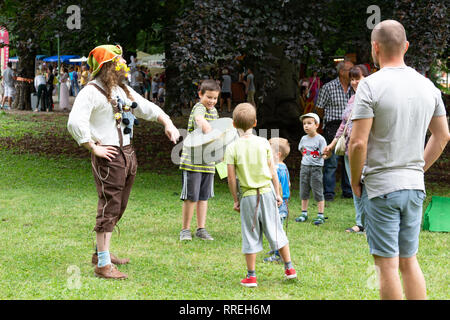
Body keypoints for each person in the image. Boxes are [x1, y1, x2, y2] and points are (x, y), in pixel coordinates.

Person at [349, 20, 449, 300]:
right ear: (405, 47)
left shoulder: (369, 85)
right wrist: (418, 168)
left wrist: (355, 181)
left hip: (381, 187)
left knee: (387, 266)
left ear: (375, 48)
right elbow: (442, 136)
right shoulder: (428, 86)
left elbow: (358, 142)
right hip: (414, 186)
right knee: (409, 260)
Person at [67, 44, 180, 280]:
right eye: (119, 62)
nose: (124, 67)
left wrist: (167, 122)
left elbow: (146, 108)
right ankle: (103, 265)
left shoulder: (121, 90)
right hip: (110, 157)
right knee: (109, 207)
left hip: (127, 154)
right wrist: (93, 146)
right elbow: (75, 122)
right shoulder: (90, 92)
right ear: (107, 66)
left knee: (120, 206)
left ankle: (101, 254)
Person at [225, 103, 297, 287]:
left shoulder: (232, 148)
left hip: (248, 196)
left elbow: (231, 179)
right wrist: (278, 194)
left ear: (234, 124)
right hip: (267, 192)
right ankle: (289, 268)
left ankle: (251, 276)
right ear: (255, 122)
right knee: (276, 230)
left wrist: (235, 199)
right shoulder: (264, 143)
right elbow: (273, 172)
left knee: (250, 234)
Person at [323, 65, 369, 233]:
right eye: (352, 79)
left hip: (366, 149)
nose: (355, 82)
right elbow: (344, 124)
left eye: (358, 78)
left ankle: (372, 222)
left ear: (367, 79)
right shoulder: (352, 99)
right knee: (354, 184)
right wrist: (332, 144)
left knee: (367, 185)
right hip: (350, 150)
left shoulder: (373, 99)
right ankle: (361, 223)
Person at [179, 79, 220, 241]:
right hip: (193, 162)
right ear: (200, 95)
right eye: (209, 97)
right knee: (191, 197)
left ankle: (201, 229)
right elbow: (199, 119)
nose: (212, 101)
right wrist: (206, 126)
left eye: (215, 98)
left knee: (203, 197)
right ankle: (185, 230)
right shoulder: (199, 107)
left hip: (208, 163)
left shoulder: (214, 111)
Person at [315, 60, 354, 201]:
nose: (352, 73)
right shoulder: (328, 87)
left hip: (350, 126)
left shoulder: (355, 87)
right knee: (331, 161)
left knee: (348, 160)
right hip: (332, 126)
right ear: (341, 71)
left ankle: (348, 191)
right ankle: (329, 193)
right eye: (350, 70)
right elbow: (319, 108)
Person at [295, 113, 328, 225]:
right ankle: (304, 213)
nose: (306, 126)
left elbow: (325, 153)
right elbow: (301, 150)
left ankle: (320, 215)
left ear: (317, 125)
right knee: (303, 190)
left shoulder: (320, 139)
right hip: (304, 167)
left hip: (316, 168)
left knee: (317, 190)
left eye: (309, 123)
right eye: (304, 124)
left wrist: (323, 156)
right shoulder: (303, 139)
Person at [263, 137, 291, 263]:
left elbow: (276, 184)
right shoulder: (284, 167)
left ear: (277, 154)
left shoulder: (276, 169)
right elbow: (288, 184)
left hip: (278, 202)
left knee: (276, 228)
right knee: (276, 227)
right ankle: (276, 249)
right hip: (284, 201)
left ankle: (277, 255)